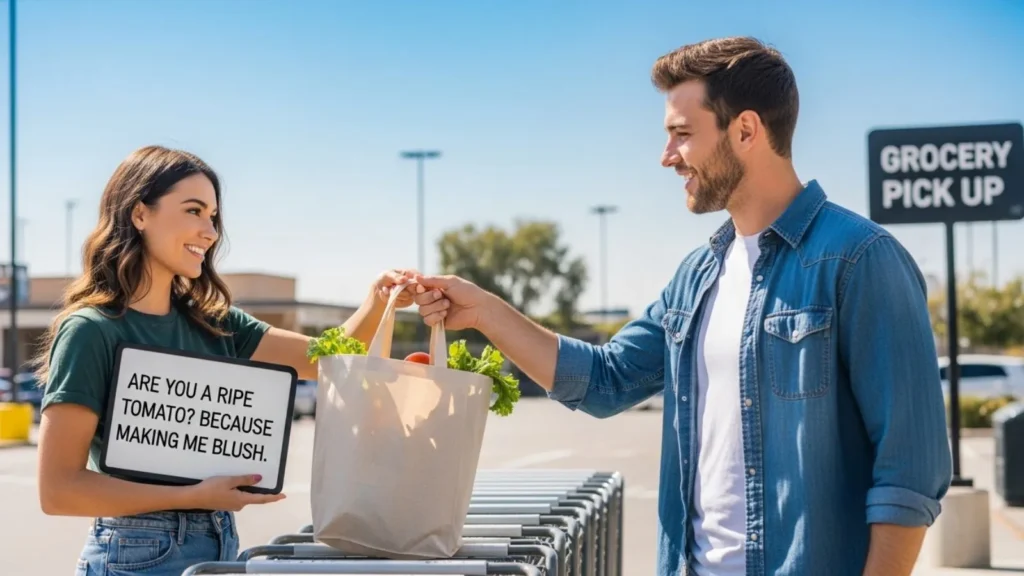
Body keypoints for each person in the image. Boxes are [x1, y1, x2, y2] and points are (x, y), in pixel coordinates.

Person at [412, 37, 953, 576]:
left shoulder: (860, 260)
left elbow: (910, 470)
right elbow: (605, 379)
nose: (667, 156)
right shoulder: (698, 274)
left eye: (681, 135)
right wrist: (483, 311)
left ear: (745, 130)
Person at [34, 145, 419, 576]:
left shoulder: (215, 323)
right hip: (136, 554)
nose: (210, 231)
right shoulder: (90, 330)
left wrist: (377, 300)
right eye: (194, 211)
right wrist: (194, 495)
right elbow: (59, 490)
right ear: (140, 214)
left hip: (219, 542)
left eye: (213, 216)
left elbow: (326, 357)